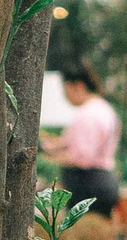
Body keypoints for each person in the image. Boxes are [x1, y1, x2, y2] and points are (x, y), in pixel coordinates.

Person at [41, 62, 121, 219]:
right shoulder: (104, 108)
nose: (66, 97)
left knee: (84, 237)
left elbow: (81, 157)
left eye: (66, 91)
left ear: (78, 86)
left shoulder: (88, 115)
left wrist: (48, 156)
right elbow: (71, 144)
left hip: (90, 185)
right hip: (101, 181)